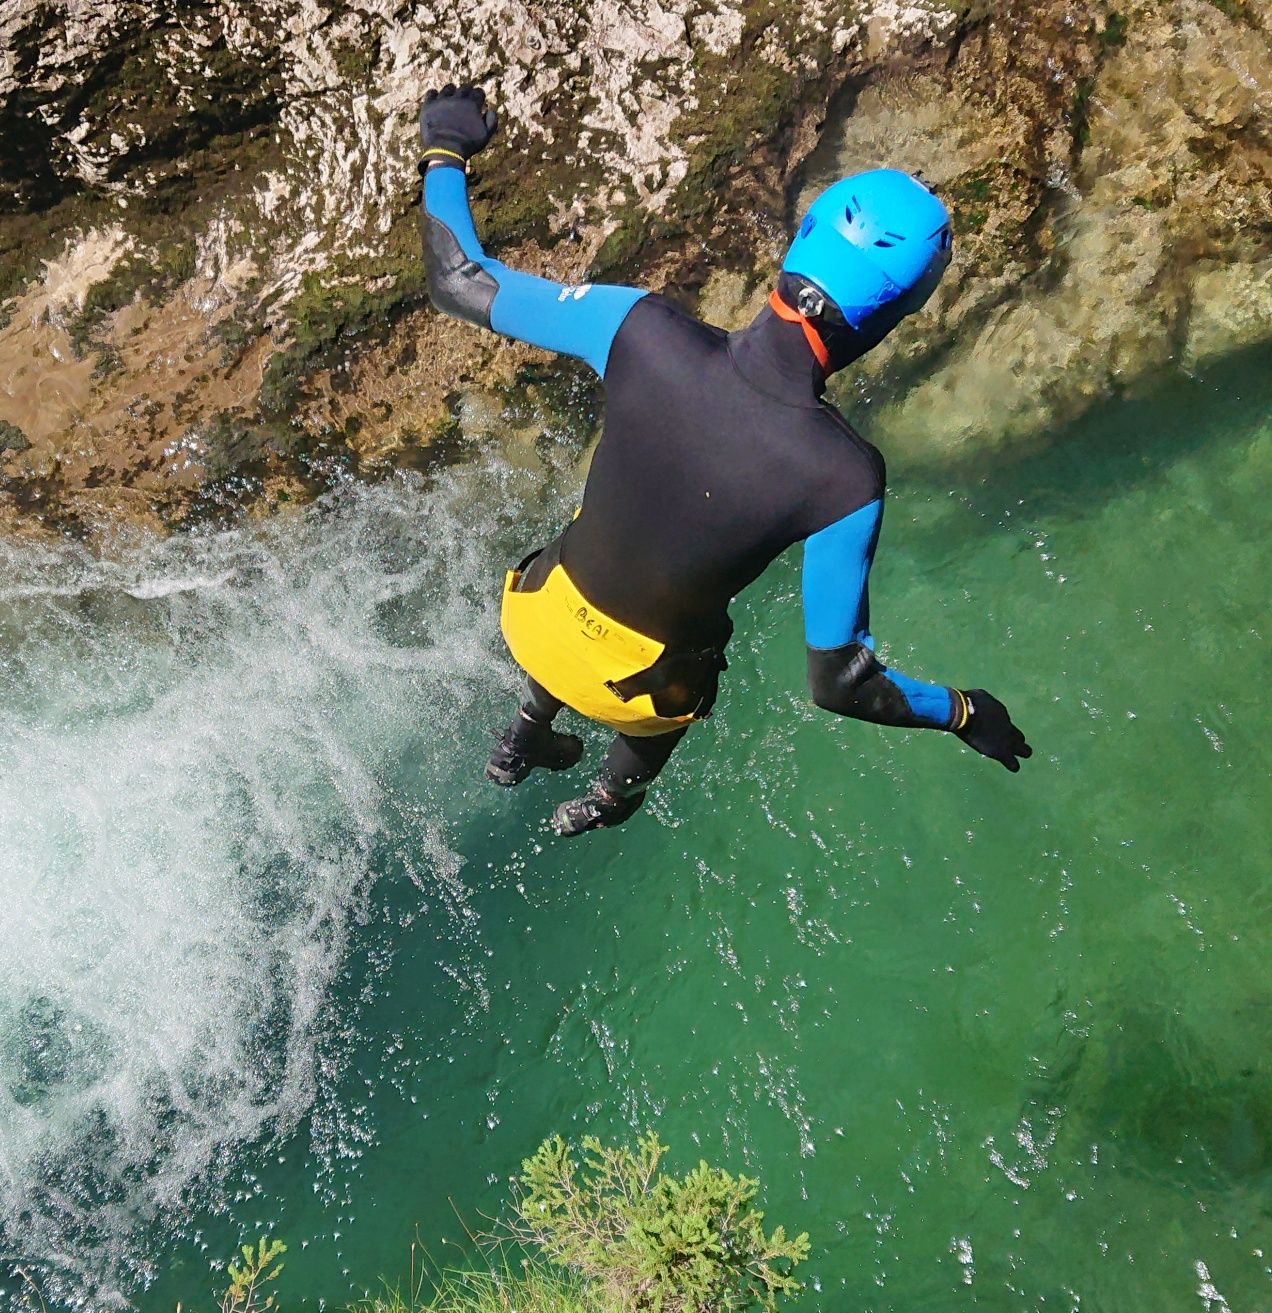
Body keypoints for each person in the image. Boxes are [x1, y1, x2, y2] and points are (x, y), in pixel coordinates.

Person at [417, 84, 1033, 837]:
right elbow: (840, 683)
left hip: (532, 613)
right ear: (892, 318)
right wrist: (965, 712)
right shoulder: (845, 476)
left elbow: (455, 278)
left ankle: (526, 729)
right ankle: (604, 804)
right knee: (686, 659)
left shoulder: (638, 329)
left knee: (598, 540)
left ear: (799, 241)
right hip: (636, 694)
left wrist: (446, 143)